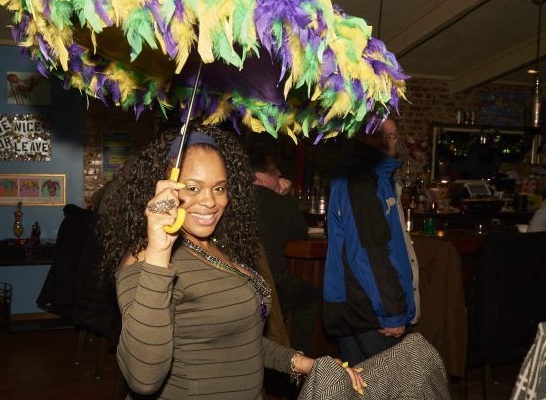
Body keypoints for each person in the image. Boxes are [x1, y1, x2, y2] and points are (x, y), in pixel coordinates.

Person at [98, 125, 365, 399]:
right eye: (192, 187)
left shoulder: (217, 246)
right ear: (163, 189)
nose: (210, 201)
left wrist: (307, 363)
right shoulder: (146, 258)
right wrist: (158, 252)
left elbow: (238, 339)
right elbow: (143, 379)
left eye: (219, 188)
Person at [322, 117, 420, 366]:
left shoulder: (378, 176)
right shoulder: (360, 179)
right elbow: (368, 250)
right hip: (367, 307)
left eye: (393, 135)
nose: (388, 142)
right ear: (364, 137)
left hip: (366, 303)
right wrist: (392, 311)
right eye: (380, 135)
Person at [248, 144, 321, 355]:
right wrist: (286, 196)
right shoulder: (278, 202)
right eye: (273, 171)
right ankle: (298, 358)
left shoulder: (234, 199)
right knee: (311, 296)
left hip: (242, 281)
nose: (279, 173)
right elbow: (299, 232)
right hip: (272, 284)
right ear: (260, 176)